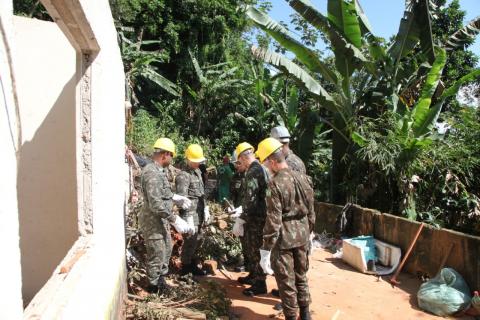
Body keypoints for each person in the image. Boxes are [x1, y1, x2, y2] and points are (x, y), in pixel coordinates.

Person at [256, 137, 315, 320]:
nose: (265, 167)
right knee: (301, 276)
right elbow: (312, 212)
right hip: (303, 234)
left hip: (284, 239)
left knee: (286, 283)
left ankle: (291, 316)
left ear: (273, 161)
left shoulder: (274, 184)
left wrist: (266, 248)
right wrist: (309, 233)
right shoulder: (304, 178)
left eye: (265, 163)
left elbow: (273, 221)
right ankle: (305, 315)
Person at [139, 138, 194, 293]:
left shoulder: (159, 171)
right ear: (165, 155)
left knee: (167, 248)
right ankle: (153, 287)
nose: (171, 160)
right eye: (171, 156)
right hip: (152, 220)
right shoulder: (152, 173)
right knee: (157, 252)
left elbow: (163, 194)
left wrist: (175, 197)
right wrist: (174, 218)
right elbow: (155, 204)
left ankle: (161, 280)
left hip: (160, 219)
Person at [230, 142, 269, 296]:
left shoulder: (253, 171)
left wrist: (242, 218)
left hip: (255, 219)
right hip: (257, 216)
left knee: (255, 249)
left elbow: (251, 200)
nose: (239, 164)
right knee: (251, 248)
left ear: (243, 157)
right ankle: (253, 276)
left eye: (239, 161)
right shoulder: (261, 168)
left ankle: (260, 283)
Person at [175, 143, 210, 276]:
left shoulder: (198, 172)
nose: (197, 163)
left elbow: (201, 192)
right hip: (190, 216)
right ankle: (185, 269)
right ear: (188, 159)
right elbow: (181, 200)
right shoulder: (183, 176)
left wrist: (206, 207)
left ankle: (192, 265)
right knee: (189, 241)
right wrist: (188, 219)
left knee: (198, 240)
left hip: (199, 213)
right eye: (195, 161)